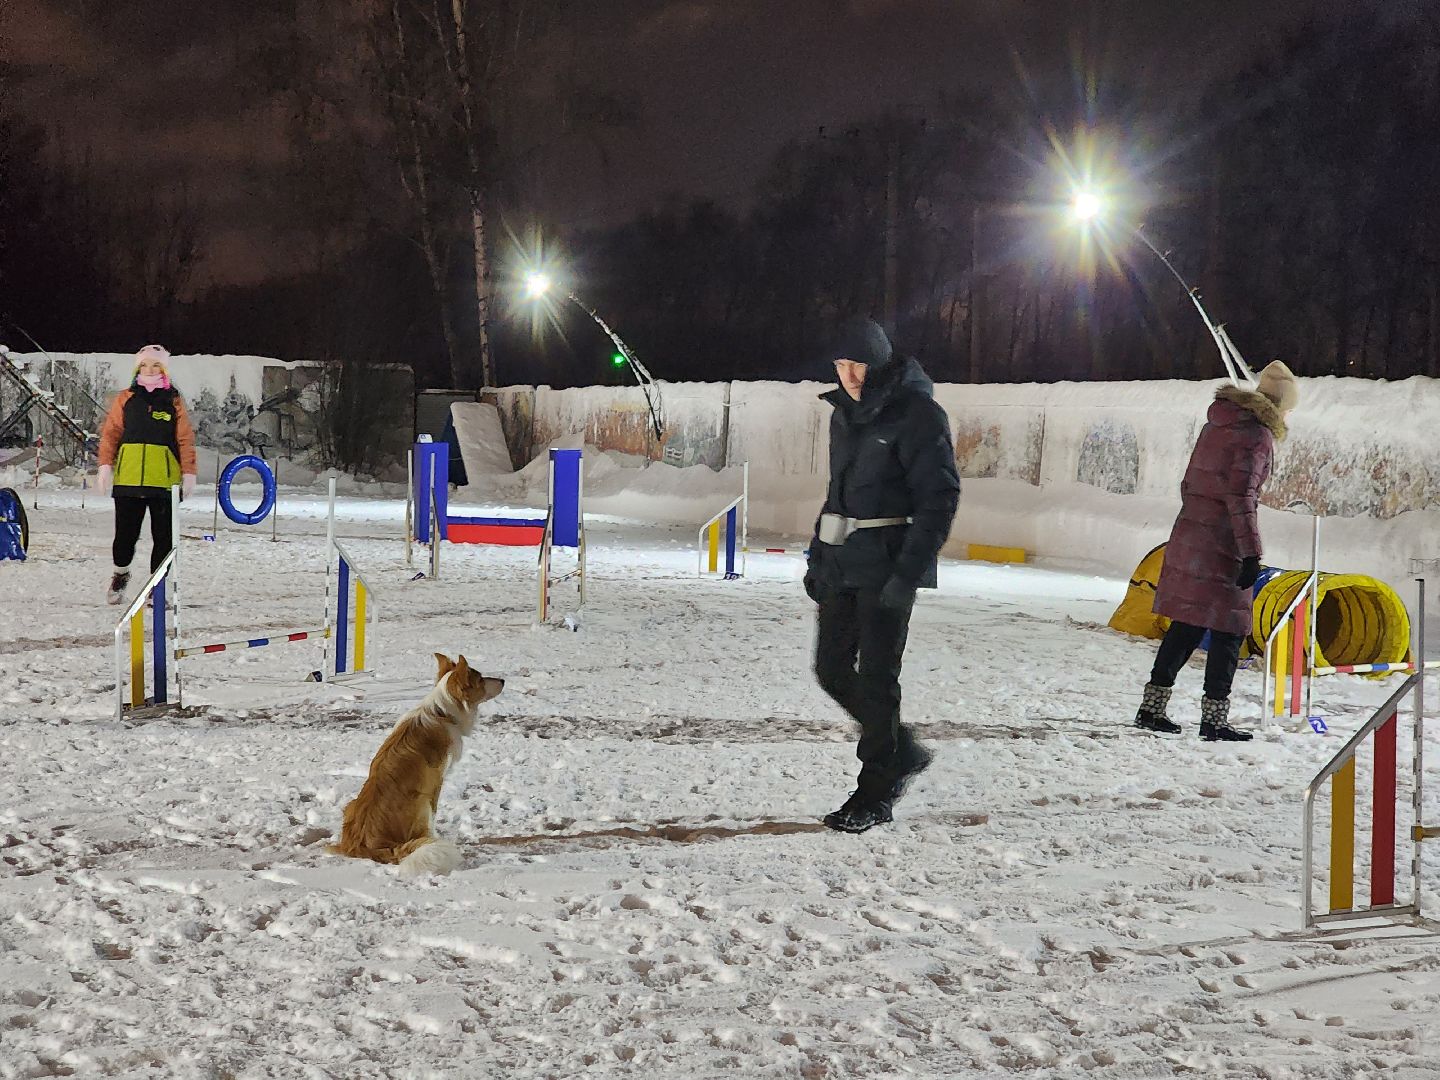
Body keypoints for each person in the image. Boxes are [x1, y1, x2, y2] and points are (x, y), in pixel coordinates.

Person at [805, 316, 961, 833]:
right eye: (841, 365)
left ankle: (876, 790)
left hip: (888, 564)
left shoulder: (918, 414)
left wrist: (907, 576)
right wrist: (817, 558)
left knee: (876, 678)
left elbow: (939, 498)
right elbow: (837, 495)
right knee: (830, 669)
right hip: (842, 562)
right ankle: (902, 750)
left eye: (858, 365)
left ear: (879, 363)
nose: (849, 376)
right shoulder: (843, 415)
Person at [1134, 360, 1300, 741]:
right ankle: (1214, 720)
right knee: (1230, 630)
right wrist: (1251, 553)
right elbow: (1242, 496)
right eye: (1289, 408)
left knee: (1187, 623)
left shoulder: (1218, 424)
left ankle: (1151, 708)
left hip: (1192, 534)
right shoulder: (1257, 435)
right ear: (1279, 406)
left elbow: (1190, 482)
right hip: (1225, 545)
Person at [97, 345, 198, 604]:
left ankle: (157, 587)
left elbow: (185, 439)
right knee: (124, 537)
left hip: (163, 482)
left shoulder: (174, 401)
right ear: (137, 368)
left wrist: (188, 472)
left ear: (164, 369)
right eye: (144, 365)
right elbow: (111, 434)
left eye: (156, 365)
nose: (150, 370)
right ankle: (120, 574)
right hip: (128, 480)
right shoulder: (126, 398)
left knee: (163, 538)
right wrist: (105, 465)